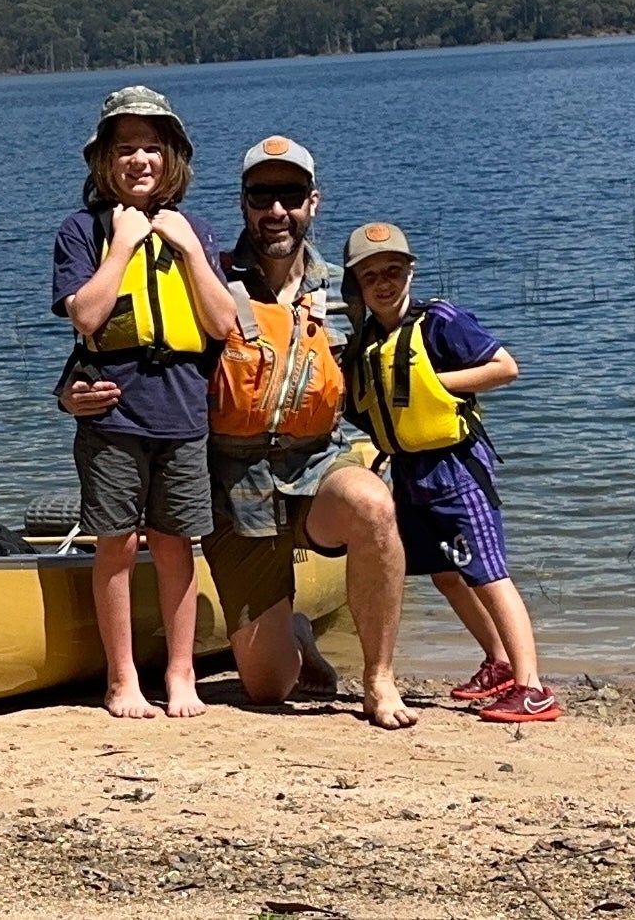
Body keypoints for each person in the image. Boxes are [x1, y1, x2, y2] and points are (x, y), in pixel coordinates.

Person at [67, 136, 415, 728]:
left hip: (315, 471)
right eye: (262, 196)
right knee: (267, 687)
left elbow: (392, 367)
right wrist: (70, 390)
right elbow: (137, 350)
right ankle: (297, 631)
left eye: (289, 195)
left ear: (313, 203)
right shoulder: (207, 276)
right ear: (244, 204)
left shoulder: (346, 292)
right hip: (237, 494)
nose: (275, 210)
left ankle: (380, 681)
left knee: (373, 505)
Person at [53, 86, 247, 719]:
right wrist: (122, 245)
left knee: (174, 544)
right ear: (104, 160)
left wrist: (188, 248)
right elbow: (86, 315)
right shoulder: (81, 230)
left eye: (153, 149)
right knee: (114, 543)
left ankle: (182, 673)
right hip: (113, 414)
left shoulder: (197, 230)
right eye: (126, 149)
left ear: (172, 158)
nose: (141, 161)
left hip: (183, 414)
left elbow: (223, 324)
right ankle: (121, 678)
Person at [342, 222, 560, 724]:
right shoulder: (367, 338)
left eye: (393, 271)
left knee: (488, 572)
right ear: (356, 282)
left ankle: (532, 688)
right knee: (445, 573)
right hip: (409, 470)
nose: (383, 282)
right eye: (370, 274)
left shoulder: (439, 320)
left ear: (410, 271)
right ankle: (499, 662)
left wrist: (433, 384)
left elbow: (505, 367)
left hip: (457, 466)